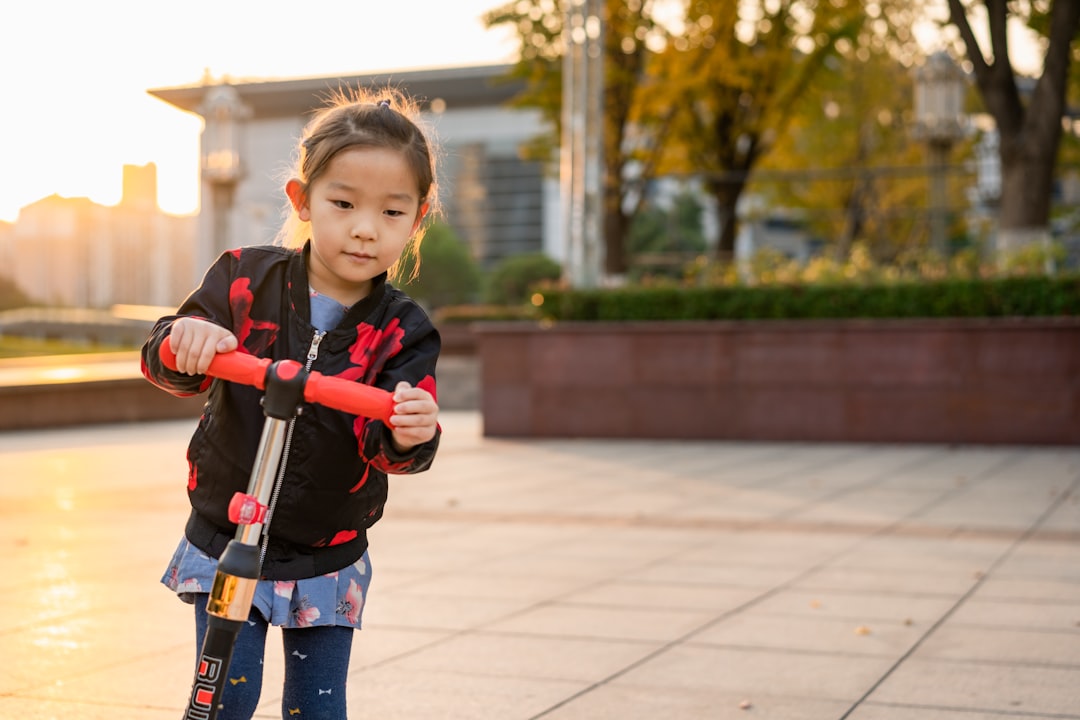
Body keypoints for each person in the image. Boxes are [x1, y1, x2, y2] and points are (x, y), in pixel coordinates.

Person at [141, 87, 441, 720]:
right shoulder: (244, 280)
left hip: (327, 551)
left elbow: (394, 438)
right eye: (343, 203)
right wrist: (185, 341)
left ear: (416, 222)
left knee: (318, 708)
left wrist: (410, 431)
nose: (365, 228)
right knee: (225, 700)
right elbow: (167, 356)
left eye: (392, 213)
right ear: (303, 201)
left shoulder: (403, 330)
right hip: (228, 535)